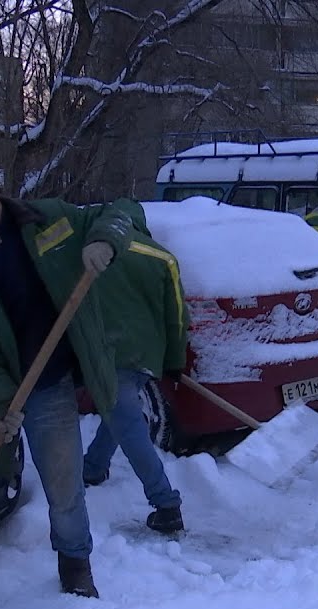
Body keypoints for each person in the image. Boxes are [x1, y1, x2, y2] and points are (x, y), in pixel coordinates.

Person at [0, 150, 132, 609]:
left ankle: (75, 564)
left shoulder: (49, 221)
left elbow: (122, 211)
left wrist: (104, 241)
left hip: (50, 385)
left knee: (64, 481)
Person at [81, 200, 190, 534]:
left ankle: (166, 503)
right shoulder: (163, 258)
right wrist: (174, 362)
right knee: (121, 412)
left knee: (125, 418)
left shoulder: (90, 252)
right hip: (144, 356)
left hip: (105, 353)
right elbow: (177, 317)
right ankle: (93, 468)